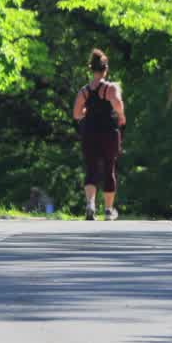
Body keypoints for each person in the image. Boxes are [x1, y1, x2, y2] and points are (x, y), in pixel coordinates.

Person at [72, 48, 126, 221]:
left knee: (91, 168)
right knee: (109, 168)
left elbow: (76, 114)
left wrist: (87, 111)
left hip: (89, 132)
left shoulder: (84, 91)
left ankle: (90, 205)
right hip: (109, 132)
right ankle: (109, 210)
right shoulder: (110, 88)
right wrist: (121, 116)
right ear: (105, 69)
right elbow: (117, 104)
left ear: (91, 69)